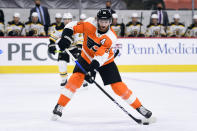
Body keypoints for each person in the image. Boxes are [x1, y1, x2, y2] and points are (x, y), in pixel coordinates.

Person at [51, 8, 152, 121]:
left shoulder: (111, 37)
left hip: (105, 61)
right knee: (75, 79)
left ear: (110, 22)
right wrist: (66, 37)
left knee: (118, 86)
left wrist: (91, 70)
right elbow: (71, 26)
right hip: (86, 56)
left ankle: (139, 107)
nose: (103, 24)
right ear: (97, 20)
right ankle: (59, 105)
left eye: (106, 21)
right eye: (101, 21)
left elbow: (100, 57)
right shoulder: (89, 23)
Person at [48, 12, 88, 87]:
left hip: (74, 48)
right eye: (65, 19)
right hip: (64, 49)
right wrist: (51, 45)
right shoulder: (59, 28)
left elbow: (79, 39)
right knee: (61, 63)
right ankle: (64, 79)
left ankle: (83, 79)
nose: (67, 21)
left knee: (79, 64)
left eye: (69, 19)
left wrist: (79, 50)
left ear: (71, 20)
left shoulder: (76, 27)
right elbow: (53, 37)